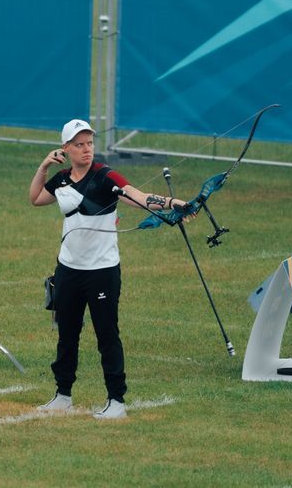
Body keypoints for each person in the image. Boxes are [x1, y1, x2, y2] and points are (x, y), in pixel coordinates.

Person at [29, 119, 189, 419]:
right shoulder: (62, 179)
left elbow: (137, 197)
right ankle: (63, 395)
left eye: (89, 143)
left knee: (107, 335)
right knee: (67, 334)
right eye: (79, 144)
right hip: (68, 269)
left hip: (101, 270)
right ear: (66, 149)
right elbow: (36, 199)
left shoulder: (105, 176)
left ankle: (117, 401)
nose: (86, 149)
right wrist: (43, 168)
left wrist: (173, 203)